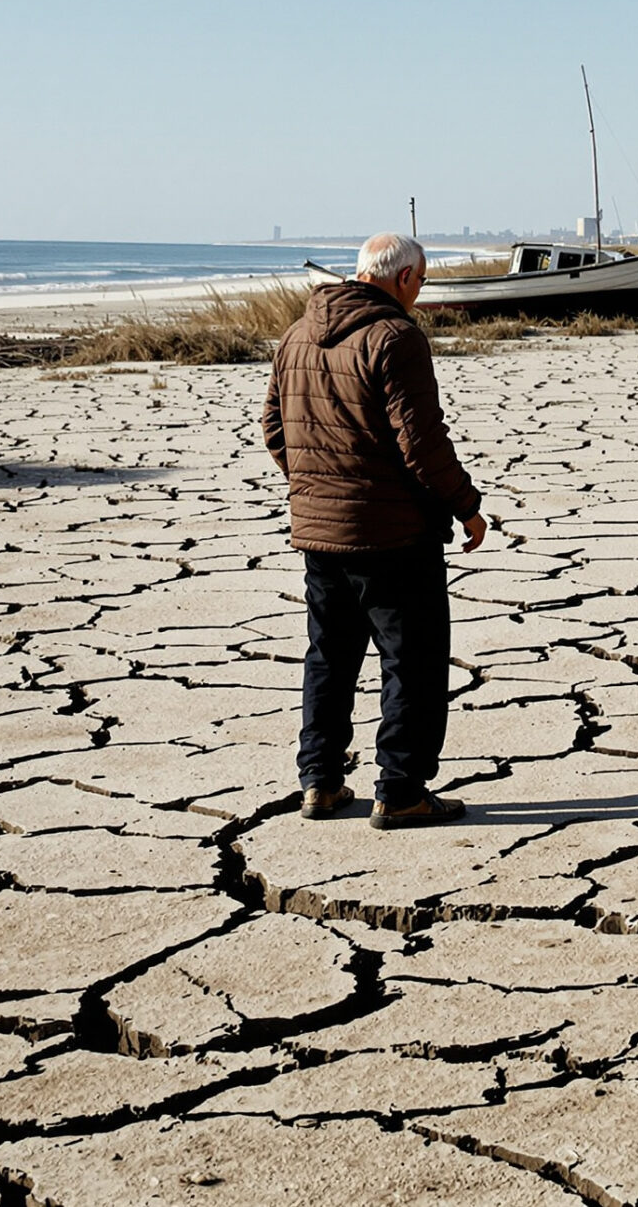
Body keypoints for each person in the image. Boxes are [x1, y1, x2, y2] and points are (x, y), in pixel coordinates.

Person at [261, 233, 487, 829]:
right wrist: (466, 505)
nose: (419, 292)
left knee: (329, 658)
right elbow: (421, 441)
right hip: (394, 536)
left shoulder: (295, 335)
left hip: (319, 533)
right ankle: (401, 790)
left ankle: (321, 783)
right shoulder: (396, 336)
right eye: (422, 281)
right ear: (406, 278)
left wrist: (317, 488)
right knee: (411, 661)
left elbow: (274, 430)